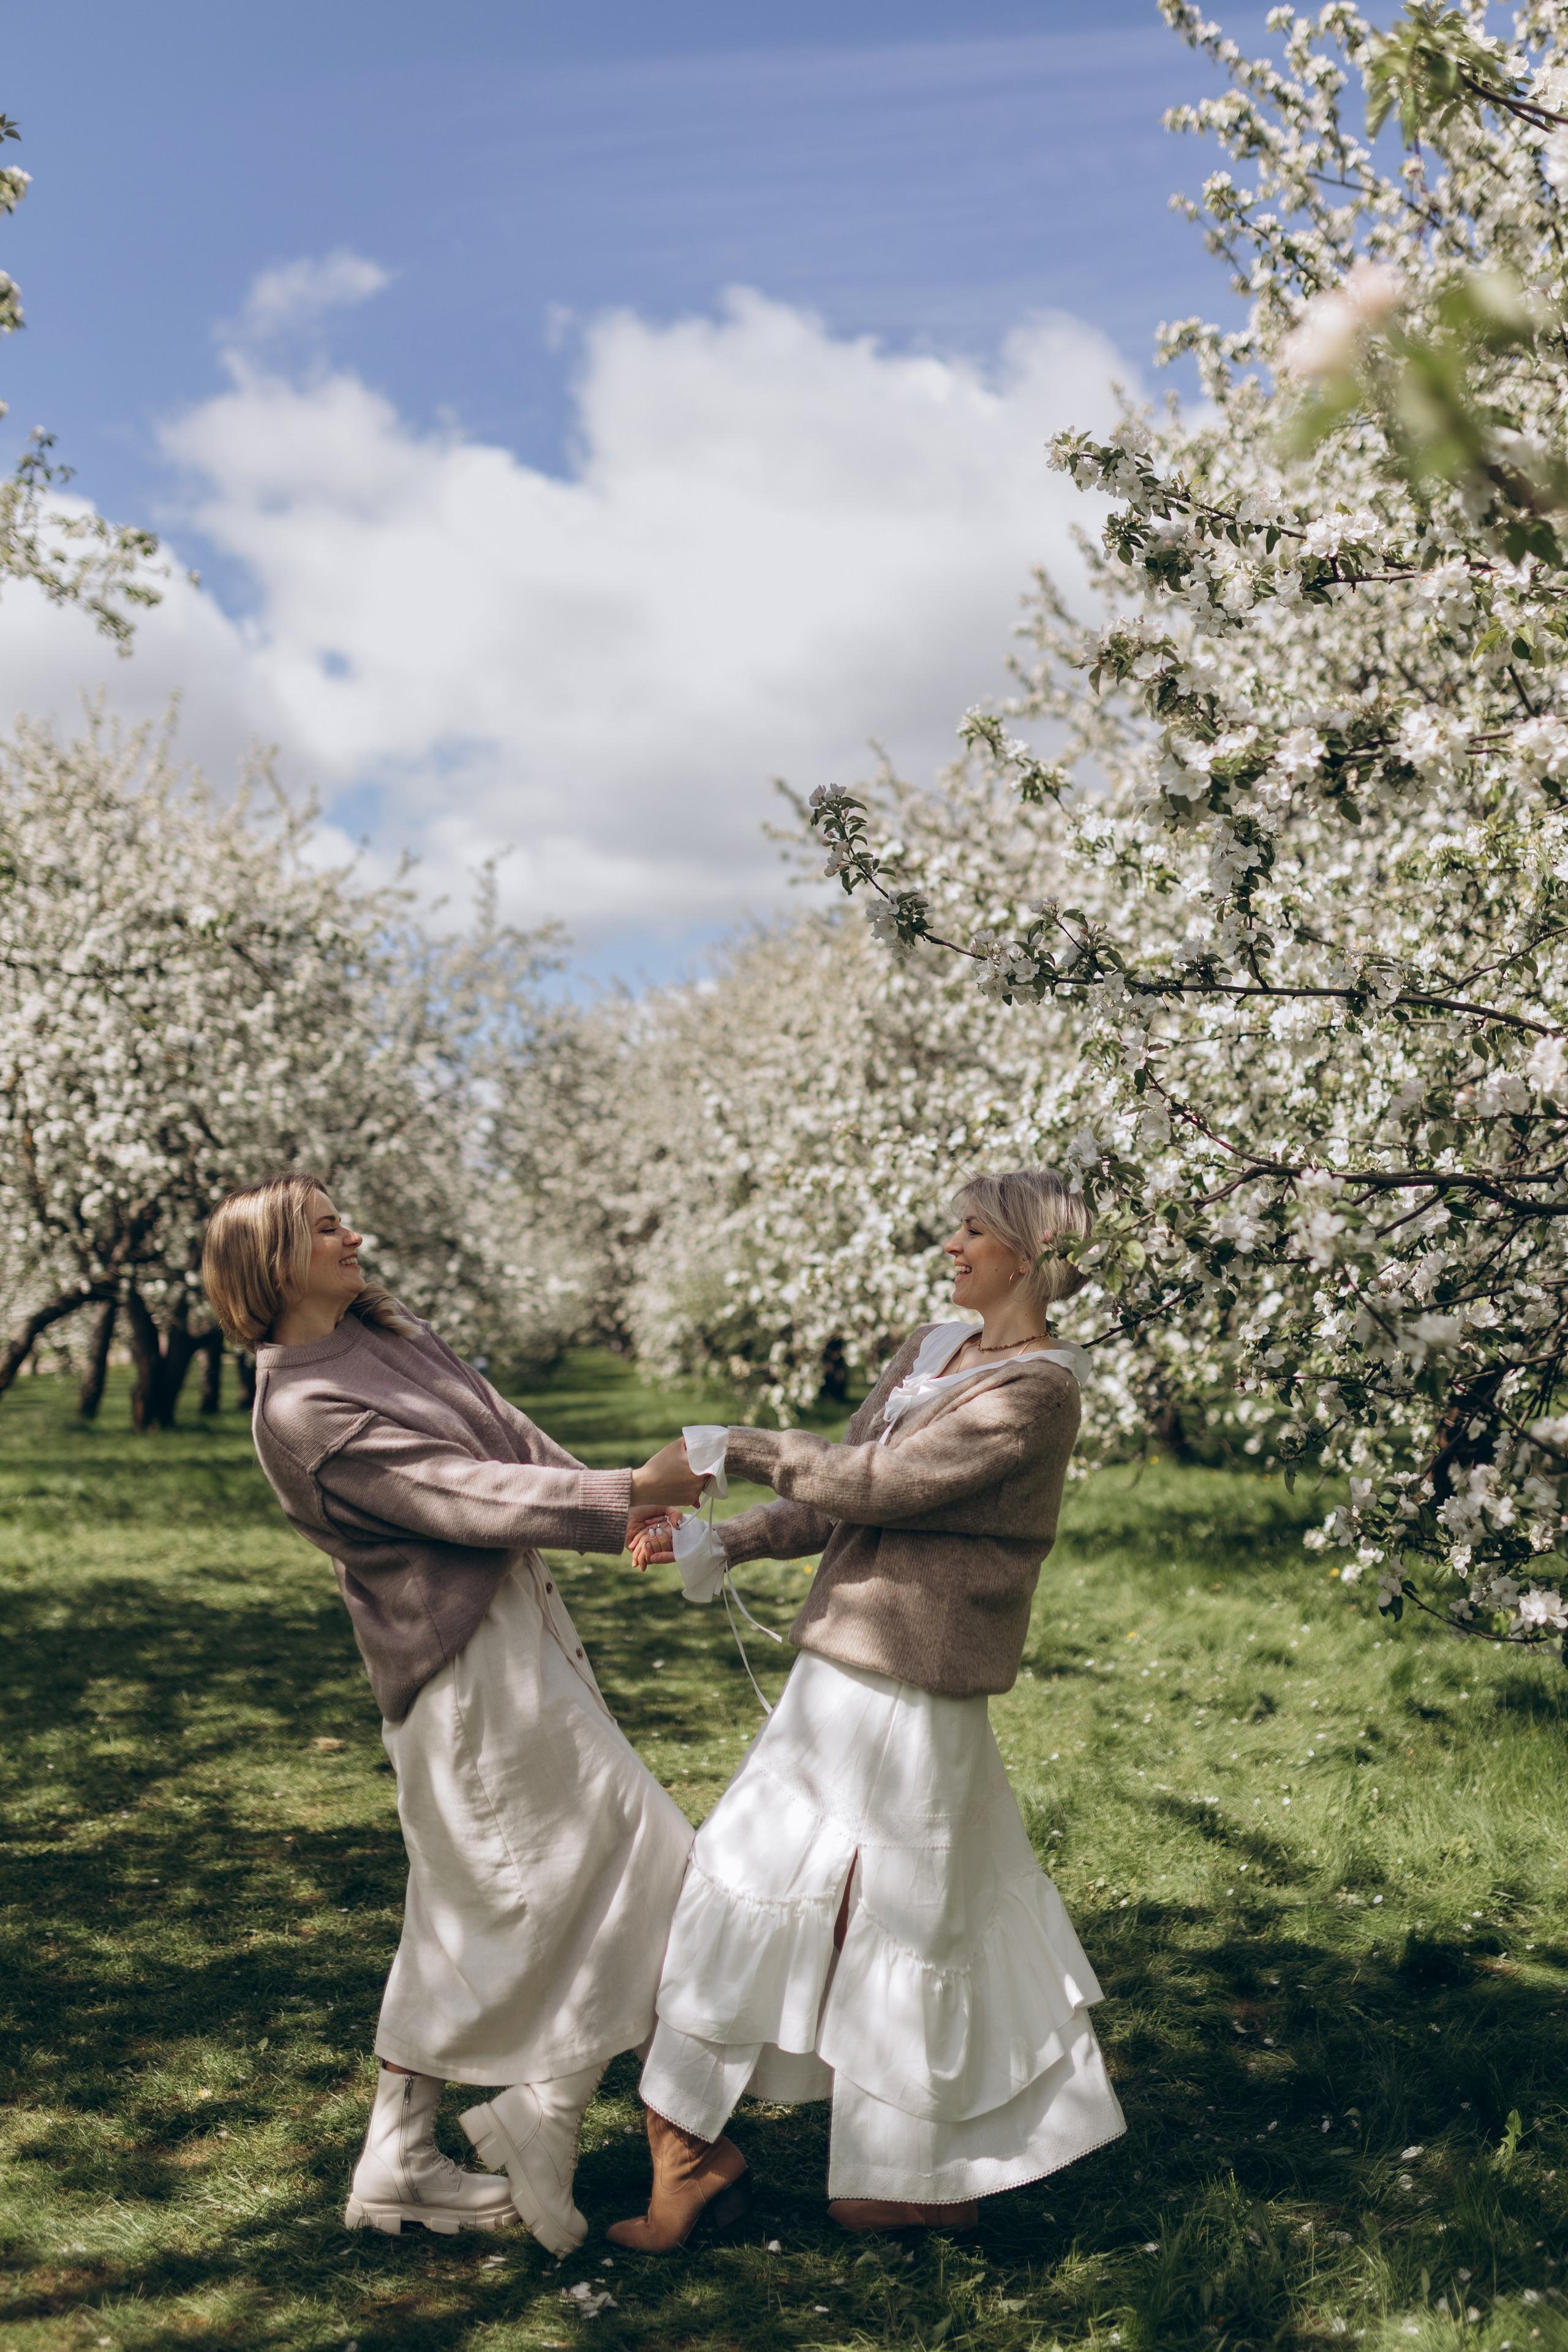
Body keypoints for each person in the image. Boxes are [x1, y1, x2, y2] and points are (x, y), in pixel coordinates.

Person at [610, 1168, 1126, 2251]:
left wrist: (722, 1445)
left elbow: (885, 1488)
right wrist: (730, 1537)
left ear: (1028, 1257)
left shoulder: (1037, 1394)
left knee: (851, 1903)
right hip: (845, 1667)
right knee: (881, 1904)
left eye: (974, 1231)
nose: (953, 1245)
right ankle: (748, 2164)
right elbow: (838, 1483)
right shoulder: (935, 1352)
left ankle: (869, 2175)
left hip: (910, 1688)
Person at [202, 1174, 706, 2253]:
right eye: (328, 1226)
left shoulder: (385, 1330)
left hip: (515, 1637)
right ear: (271, 1261)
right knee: (652, 1861)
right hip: (465, 1674)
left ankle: (401, 2156)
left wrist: (630, 1502)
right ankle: (543, 2118)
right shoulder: (300, 1410)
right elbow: (456, 1494)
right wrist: (624, 1490)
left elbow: (502, 1437)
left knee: (460, 1906)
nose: (356, 1234)